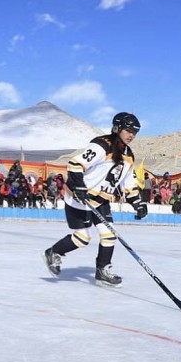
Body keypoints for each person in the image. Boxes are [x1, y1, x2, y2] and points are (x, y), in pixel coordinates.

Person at [43, 112, 148, 287]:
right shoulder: (101, 145)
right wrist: (80, 186)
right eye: (128, 130)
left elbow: (127, 183)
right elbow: (75, 164)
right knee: (83, 238)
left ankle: (102, 271)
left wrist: (138, 203)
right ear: (117, 128)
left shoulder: (129, 155)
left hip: (100, 201)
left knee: (109, 234)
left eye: (135, 132)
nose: (131, 135)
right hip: (79, 199)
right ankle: (53, 252)